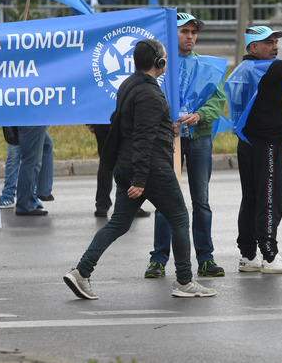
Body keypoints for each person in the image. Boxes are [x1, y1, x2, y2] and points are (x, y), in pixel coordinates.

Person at [64, 40, 217, 300]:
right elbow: (144, 138)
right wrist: (140, 179)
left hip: (128, 167)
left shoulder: (129, 84)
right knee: (179, 218)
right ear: (158, 62)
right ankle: (184, 282)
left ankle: (81, 272)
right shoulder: (150, 94)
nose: (167, 62)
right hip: (151, 169)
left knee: (118, 224)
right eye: (165, 58)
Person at [225, 14, 282, 273]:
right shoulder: (264, 70)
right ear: (253, 48)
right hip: (266, 144)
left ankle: (247, 255)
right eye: (268, 42)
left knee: (252, 199)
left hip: (247, 143)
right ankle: (269, 255)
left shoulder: (243, 70)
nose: (275, 46)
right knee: (269, 200)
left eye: (275, 41)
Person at [145, 13, 225, 279]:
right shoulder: (159, 67)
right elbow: (149, 99)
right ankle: (158, 260)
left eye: (194, 32)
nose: (190, 36)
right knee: (166, 199)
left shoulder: (206, 66)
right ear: (172, 33)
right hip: (168, 140)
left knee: (201, 200)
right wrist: (167, 122)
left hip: (199, 138)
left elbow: (216, 100)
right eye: (184, 31)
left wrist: (200, 115)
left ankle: (205, 258)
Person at [89, 122, 150, 219]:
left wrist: (90, 121)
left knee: (105, 163)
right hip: (122, 122)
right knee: (127, 161)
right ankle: (132, 204)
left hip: (101, 123)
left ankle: (102, 205)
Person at [14, 126, 54, 216]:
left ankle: (43, 190)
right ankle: (25, 204)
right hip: (32, 120)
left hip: (27, 120)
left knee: (47, 144)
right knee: (31, 161)